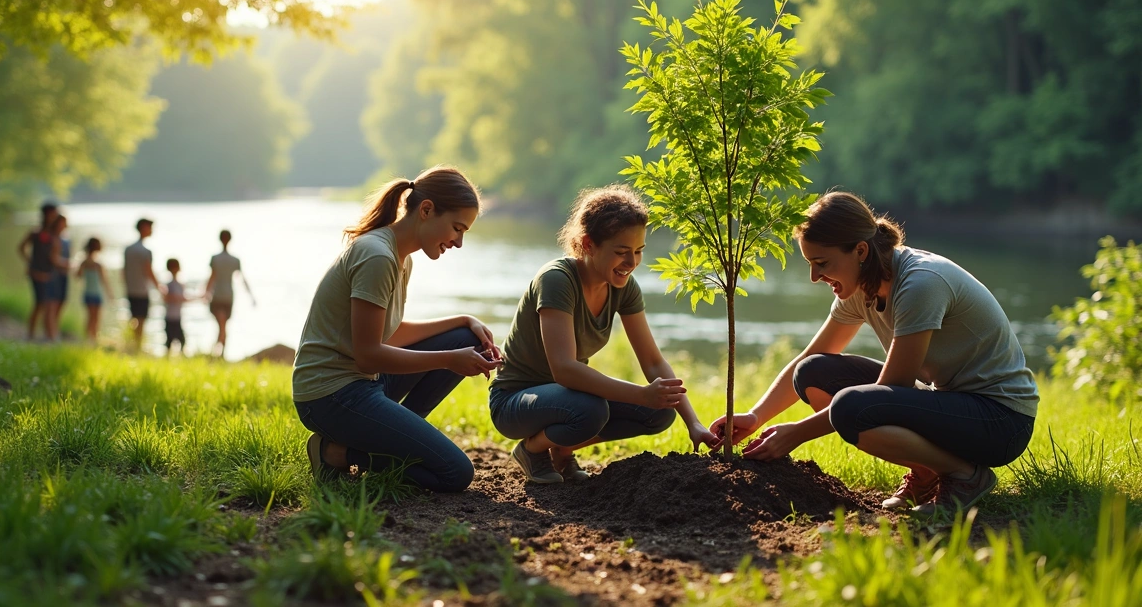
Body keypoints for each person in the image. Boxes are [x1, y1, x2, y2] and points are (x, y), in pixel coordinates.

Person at [709, 192, 1038, 514]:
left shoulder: (920, 283)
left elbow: (891, 387)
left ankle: (966, 476)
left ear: (860, 250)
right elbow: (812, 356)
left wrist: (796, 433)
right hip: (949, 404)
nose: (814, 277)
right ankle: (926, 471)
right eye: (810, 264)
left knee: (851, 407)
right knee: (811, 372)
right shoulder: (859, 286)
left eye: (822, 263)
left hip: (1001, 421)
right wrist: (755, 417)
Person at [489, 185, 720, 484]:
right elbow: (564, 369)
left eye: (638, 251)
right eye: (621, 252)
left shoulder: (623, 286)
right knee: (592, 410)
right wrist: (641, 394)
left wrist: (694, 423)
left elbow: (652, 362)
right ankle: (532, 450)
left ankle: (562, 448)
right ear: (588, 244)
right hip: (515, 402)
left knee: (660, 412)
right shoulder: (557, 279)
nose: (631, 263)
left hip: (567, 398)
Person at [292, 166, 501, 493]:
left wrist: (463, 321)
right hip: (329, 396)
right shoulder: (377, 256)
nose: (459, 242)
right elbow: (368, 355)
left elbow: (388, 333)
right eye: (457, 228)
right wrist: (449, 359)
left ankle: (395, 434)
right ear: (426, 210)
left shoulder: (401, 257)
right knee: (455, 473)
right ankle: (334, 453)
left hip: (364, 383)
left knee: (466, 338)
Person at [204, 229, 255, 358]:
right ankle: (219, 352)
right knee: (223, 326)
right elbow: (242, 279)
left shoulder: (215, 259)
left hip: (217, 296)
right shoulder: (234, 260)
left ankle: (217, 352)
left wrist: (205, 293)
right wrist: (251, 296)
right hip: (228, 297)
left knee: (222, 326)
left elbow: (212, 277)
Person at [17, 202, 59, 340]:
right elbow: (21, 247)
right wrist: (31, 263)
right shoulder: (36, 233)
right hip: (37, 274)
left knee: (49, 304)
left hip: (49, 274)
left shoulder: (54, 234)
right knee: (39, 304)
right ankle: (31, 334)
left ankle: (48, 334)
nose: (55, 216)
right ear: (47, 214)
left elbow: (54, 256)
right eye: (53, 213)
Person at [123, 218, 161, 352]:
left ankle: (133, 343)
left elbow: (124, 271)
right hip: (142, 290)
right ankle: (138, 345)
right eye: (150, 227)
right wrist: (159, 287)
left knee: (134, 317)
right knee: (142, 319)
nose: (151, 230)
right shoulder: (145, 251)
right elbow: (148, 271)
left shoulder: (128, 249)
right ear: (144, 228)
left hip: (131, 289)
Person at [75, 237, 114, 343]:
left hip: (87, 293)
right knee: (96, 318)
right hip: (96, 294)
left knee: (90, 317)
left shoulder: (84, 263)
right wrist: (110, 294)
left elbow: (77, 276)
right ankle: (93, 339)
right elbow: (104, 281)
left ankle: (88, 338)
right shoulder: (97, 265)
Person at [42, 215, 71, 341]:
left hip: (63, 275)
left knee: (60, 303)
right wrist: (68, 264)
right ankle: (50, 334)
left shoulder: (65, 240)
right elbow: (52, 258)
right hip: (53, 276)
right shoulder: (52, 239)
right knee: (51, 304)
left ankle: (54, 330)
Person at [163, 258, 188, 356]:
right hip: (170, 317)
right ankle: (168, 357)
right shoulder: (169, 285)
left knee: (182, 340)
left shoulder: (180, 285)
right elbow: (166, 298)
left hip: (177, 317)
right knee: (170, 341)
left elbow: (183, 298)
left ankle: (180, 356)